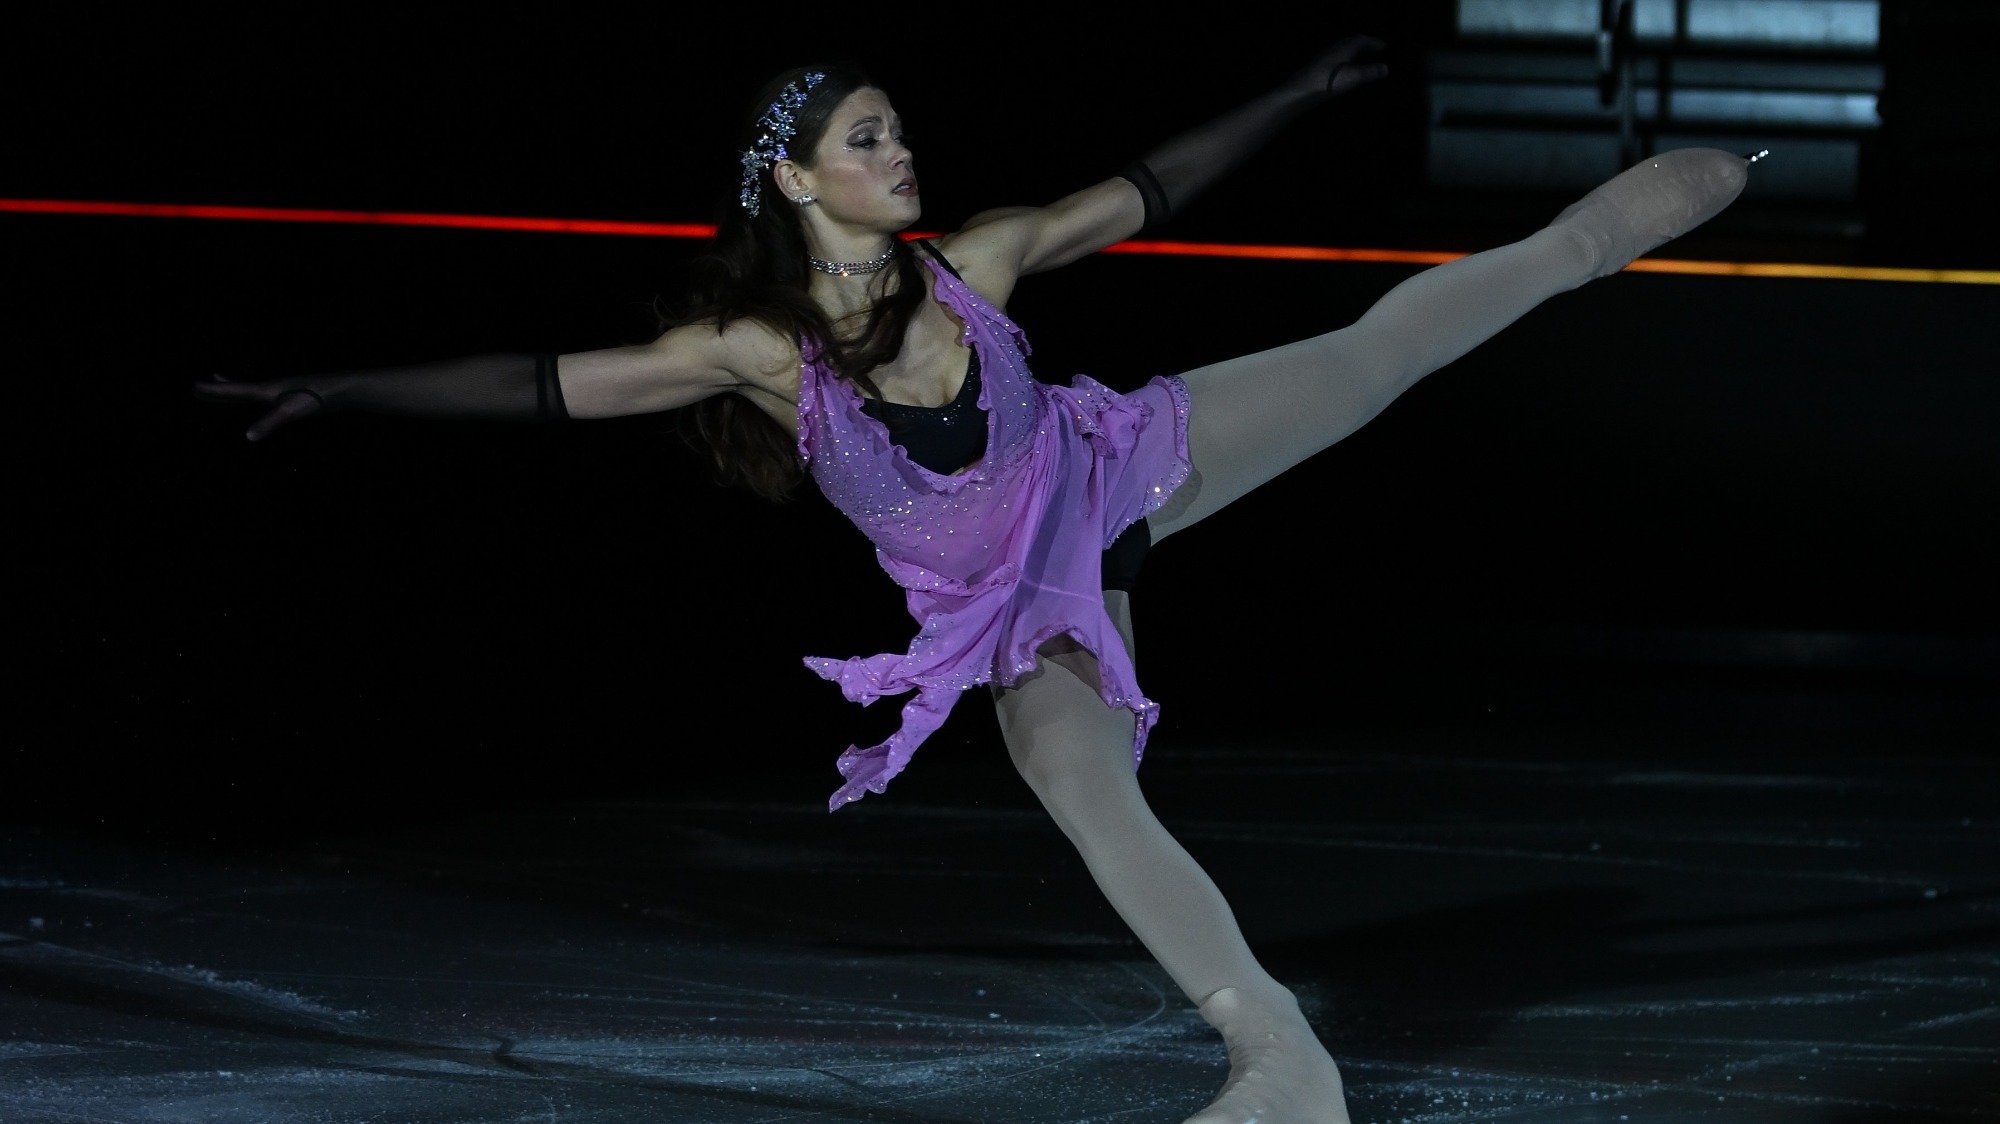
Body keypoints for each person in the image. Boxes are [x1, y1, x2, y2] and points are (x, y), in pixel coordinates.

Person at [196, 38, 1750, 1124]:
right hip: (1009, 606)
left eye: (895, 126)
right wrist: (341, 391)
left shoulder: (979, 263)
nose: (899, 149)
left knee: (1384, 344)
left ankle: (1601, 231)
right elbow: (545, 385)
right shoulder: (760, 356)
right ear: (798, 183)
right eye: (864, 137)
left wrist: (1290, 91)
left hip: (1123, 467)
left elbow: (1142, 189)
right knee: (1089, 792)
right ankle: (1281, 1061)